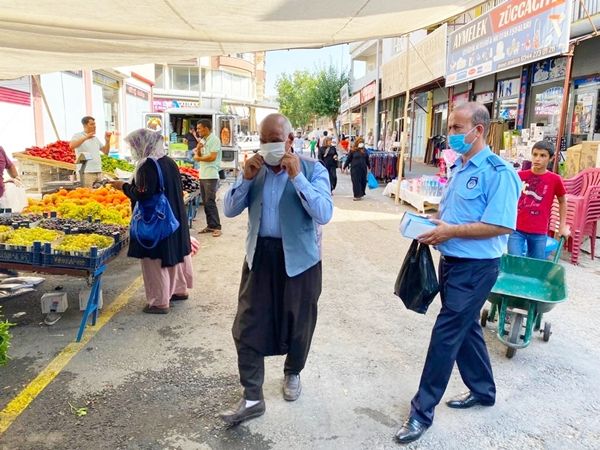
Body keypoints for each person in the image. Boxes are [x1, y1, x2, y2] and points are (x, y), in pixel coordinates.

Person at [394, 102, 521, 444]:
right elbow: (455, 213)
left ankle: (421, 412)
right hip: (450, 262)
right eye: (449, 127)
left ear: (478, 130)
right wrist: (434, 223)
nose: (449, 134)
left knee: (446, 334)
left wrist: (450, 231)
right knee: (466, 329)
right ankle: (483, 390)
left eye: (455, 128)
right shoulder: (459, 166)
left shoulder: (499, 173)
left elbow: (500, 225)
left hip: (476, 269)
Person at [220, 113, 333, 426]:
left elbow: (324, 213)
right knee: (246, 325)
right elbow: (229, 210)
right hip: (260, 257)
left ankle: (293, 371)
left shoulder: (313, 169)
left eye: (275, 140)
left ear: (290, 140)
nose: (268, 146)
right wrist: (245, 178)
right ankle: (252, 397)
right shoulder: (253, 170)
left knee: (299, 323)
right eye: (263, 140)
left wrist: (298, 179)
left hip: (300, 261)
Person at [109, 129, 192, 314]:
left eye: (134, 146)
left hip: (156, 221)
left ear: (143, 145)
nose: (133, 150)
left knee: (155, 261)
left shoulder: (148, 166)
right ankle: (179, 290)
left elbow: (143, 194)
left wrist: (123, 186)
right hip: (173, 218)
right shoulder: (168, 161)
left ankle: (159, 302)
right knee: (173, 255)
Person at [507, 140, 569, 259]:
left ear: (551, 158)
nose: (537, 159)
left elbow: (562, 202)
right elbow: (509, 197)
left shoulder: (555, 179)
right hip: (516, 229)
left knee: (535, 266)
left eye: (542, 155)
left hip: (539, 231)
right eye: (535, 154)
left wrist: (562, 226)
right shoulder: (520, 176)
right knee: (514, 263)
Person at [194, 119, 223, 237]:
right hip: (203, 174)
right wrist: (198, 148)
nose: (197, 130)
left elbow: (212, 157)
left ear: (206, 128)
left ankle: (217, 227)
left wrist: (198, 158)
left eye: (199, 128)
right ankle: (210, 225)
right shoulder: (203, 140)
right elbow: (198, 156)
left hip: (211, 175)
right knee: (205, 202)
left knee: (210, 202)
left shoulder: (214, 140)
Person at [70, 116, 112, 187]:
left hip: (98, 171)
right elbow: (72, 146)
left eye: (94, 124)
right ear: (85, 125)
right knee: (87, 192)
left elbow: (106, 152)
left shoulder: (95, 139)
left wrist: (107, 141)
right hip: (86, 172)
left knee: (100, 192)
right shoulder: (78, 135)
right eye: (92, 124)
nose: (94, 126)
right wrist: (86, 137)